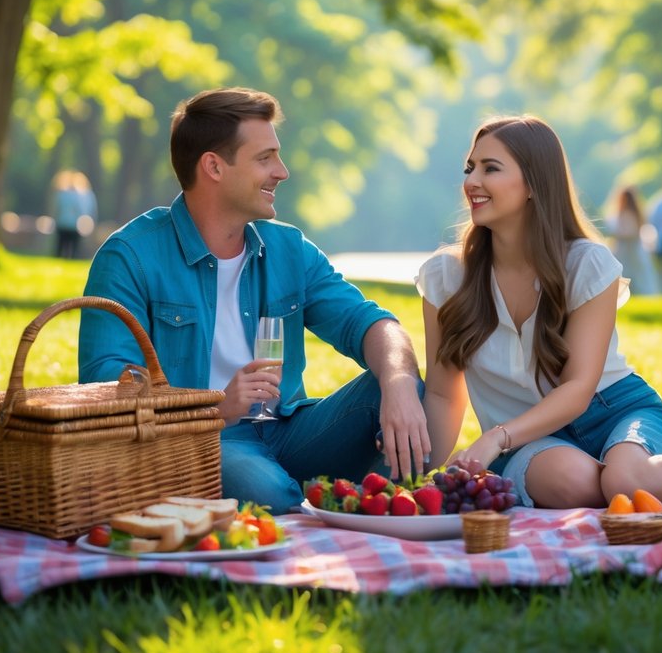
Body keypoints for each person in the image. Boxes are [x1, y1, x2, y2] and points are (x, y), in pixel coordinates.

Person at [78, 87, 428, 512]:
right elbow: (104, 382)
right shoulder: (130, 256)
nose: (282, 171)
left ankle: (317, 494)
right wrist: (212, 409)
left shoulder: (289, 250)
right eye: (265, 158)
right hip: (200, 441)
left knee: (399, 386)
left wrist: (397, 383)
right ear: (214, 167)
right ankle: (319, 496)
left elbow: (371, 323)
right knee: (269, 493)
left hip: (285, 429)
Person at [416, 116, 662, 507]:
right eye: (470, 168)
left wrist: (494, 437)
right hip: (532, 440)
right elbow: (441, 394)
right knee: (573, 483)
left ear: (534, 184)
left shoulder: (586, 264)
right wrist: (420, 480)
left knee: (624, 481)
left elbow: (578, 389)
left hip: (614, 409)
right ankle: (650, 479)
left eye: (491, 168)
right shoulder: (446, 277)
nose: (472, 181)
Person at [606, 186, 658, 296]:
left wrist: (620, 236)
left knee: (631, 273)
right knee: (635, 274)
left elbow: (629, 233)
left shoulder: (626, 214)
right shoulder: (636, 214)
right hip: (631, 248)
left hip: (629, 248)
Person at [51, 170, 98, 259]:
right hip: (75, 225)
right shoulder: (82, 195)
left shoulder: (61, 194)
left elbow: (56, 209)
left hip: (62, 223)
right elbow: (83, 211)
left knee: (61, 246)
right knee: (74, 249)